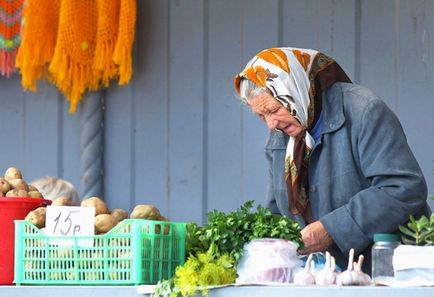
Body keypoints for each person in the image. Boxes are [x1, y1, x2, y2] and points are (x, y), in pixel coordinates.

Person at [233, 47, 431, 274]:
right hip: (322, 275)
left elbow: (404, 188)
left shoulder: (363, 111)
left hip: (390, 270)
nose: (270, 124)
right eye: (261, 115)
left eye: (274, 109)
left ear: (296, 89)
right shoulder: (281, 137)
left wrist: (331, 229)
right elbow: (277, 212)